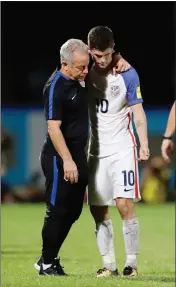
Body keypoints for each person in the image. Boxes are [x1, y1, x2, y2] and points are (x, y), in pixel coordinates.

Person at [34, 37, 131, 276]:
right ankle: (46, 263)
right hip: (59, 158)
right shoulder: (56, 87)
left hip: (79, 156)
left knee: (74, 211)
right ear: (64, 65)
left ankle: (49, 257)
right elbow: (53, 128)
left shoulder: (78, 74)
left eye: (87, 65)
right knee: (57, 209)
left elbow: (103, 56)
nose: (86, 71)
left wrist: (118, 58)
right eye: (80, 67)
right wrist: (67, 161)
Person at [87, 26, 150, 277]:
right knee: (98, 208)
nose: (101, 60)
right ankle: (109, 265)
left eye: (106, 54)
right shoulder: (85, 70)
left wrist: (144, 144)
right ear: (90, 50)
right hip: (96, 152)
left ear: (113, 48)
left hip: (123, 148)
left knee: (124, 204)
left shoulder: (127, 73)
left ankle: (131, 264)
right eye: (97, 55)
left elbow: (138, 113)